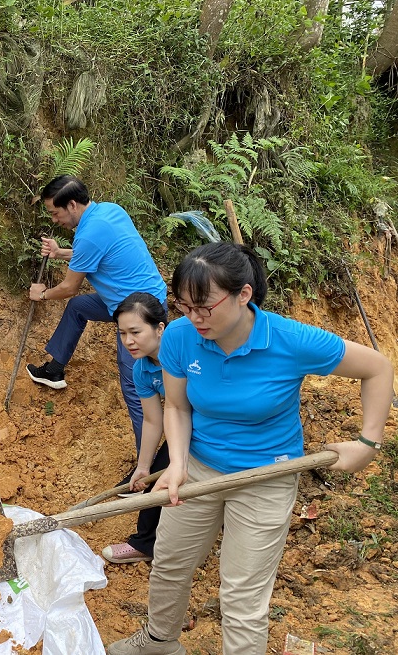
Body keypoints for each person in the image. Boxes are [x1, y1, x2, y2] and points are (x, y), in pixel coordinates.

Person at [108, 242, 393, 655]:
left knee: (242, 597)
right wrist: (179, 464)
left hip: (267, 478)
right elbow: (176, 406)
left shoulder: (290, 340)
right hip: (201, 468)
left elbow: (377, 368)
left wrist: (368, 442)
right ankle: (159, 641)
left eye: (205, 306)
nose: (194, 317)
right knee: (169, 566)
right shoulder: (181, 338)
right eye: (185, 306)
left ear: (243, 294)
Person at [27, 175, 167, 458]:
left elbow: (68, 287)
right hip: (131, 299)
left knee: (134, 388)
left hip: (138, 311)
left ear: (73, 205)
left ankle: (148, 464)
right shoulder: (109, 211)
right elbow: (91, 253)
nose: (54, 220)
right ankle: (55, 370)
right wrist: (59, 252)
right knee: (79, 308)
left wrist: (41, 294)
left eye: (55, 213)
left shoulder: (88, 233)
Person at [101, 292, 169, 564]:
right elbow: (153, 420)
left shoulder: (183, 349)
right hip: (185, 427)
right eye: (122, 333)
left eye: (135, 332)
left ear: (159, 328)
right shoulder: (142, 369)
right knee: (155, 476)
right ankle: (145, 543)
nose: (128, 341)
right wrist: (142, 466)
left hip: (218, 424)